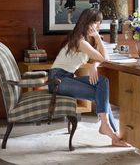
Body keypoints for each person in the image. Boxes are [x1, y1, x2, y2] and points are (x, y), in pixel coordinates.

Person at [48, 8, 129, 147]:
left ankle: (108, 130)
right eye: (95, 22)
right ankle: (113, 134)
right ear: (86, 22)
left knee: (103, 82)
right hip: (57, 80)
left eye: (99, 22)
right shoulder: (80, 41)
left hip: (68, 77)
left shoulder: (87, 40)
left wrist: (94, 65)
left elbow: (101, 58)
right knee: (101, 95)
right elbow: (105, 57)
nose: (97, 26)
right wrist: (98, 39)